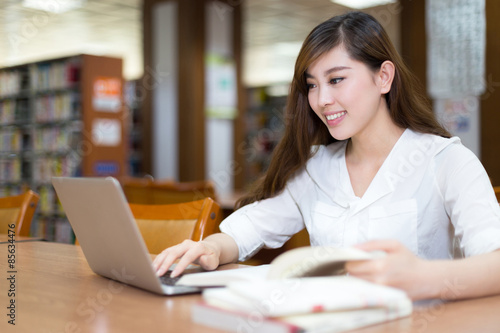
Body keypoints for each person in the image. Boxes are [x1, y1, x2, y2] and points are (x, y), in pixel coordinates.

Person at [153, 11, 500, 301]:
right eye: (313, 85)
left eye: (336, 80)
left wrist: (424, 276)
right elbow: (245, 231)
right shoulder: (316, 168)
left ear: (384, 77)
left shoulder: (448, 161)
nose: (321, 100)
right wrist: (210, 248)